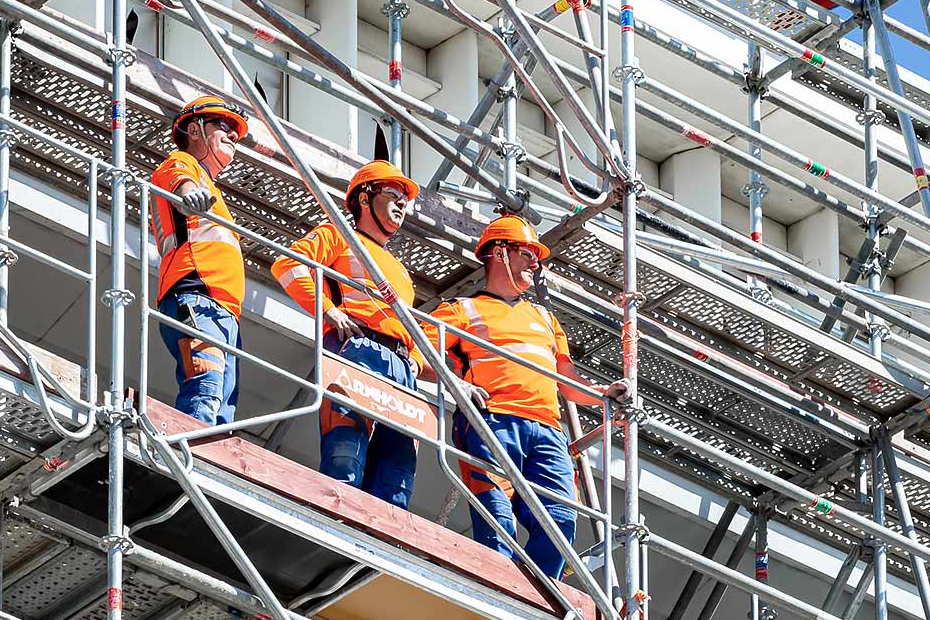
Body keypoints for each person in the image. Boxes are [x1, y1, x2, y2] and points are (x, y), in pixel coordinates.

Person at [429, 215, 626, 581]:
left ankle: (535, 595)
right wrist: (458, 383)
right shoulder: (461, 309)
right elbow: (420, 353)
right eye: (527, 253)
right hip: (492, 422)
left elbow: (566, 382)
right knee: (497, 515)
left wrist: (603, 395)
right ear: (498, 253)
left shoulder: (546, 319)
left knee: (561, 521)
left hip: (548, 433)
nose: (536, 264)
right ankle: (499, 589)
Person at [272, 161, 427, 507]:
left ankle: (388, 546)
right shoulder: (337, 235)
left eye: (405, 197)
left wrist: (415, 363)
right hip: (356, 347)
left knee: (398, 465)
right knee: (347, 449)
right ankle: (339, 522)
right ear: (363, 197)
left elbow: (410, 327)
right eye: (393, 193)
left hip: (399, 365)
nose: (402, 202)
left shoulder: (400, 270)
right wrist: (328, 310)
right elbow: (287, 265)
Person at [151, 96, 249, 425]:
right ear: (195, 130)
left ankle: (206, 465)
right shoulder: (182, 162)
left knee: (222, 408)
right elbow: (180, 182)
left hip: (222, 312)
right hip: (196, 296)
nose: (233, 134)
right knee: (206, 386)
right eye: (223, 126)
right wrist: (188, 193)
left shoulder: (214, 191)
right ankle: (188, 458)